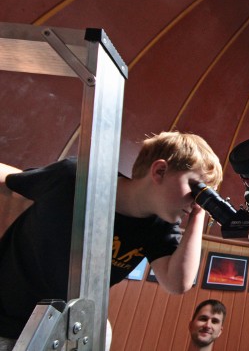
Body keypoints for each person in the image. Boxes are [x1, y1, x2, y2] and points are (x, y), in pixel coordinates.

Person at [0, 131, 223, 347]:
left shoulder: (159, 228)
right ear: (160, 171)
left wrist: (199, 213)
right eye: (197, 189)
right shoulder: (76, 178)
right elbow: (9, 182)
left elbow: (178, 283)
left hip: (51, 333)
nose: (196, 201)